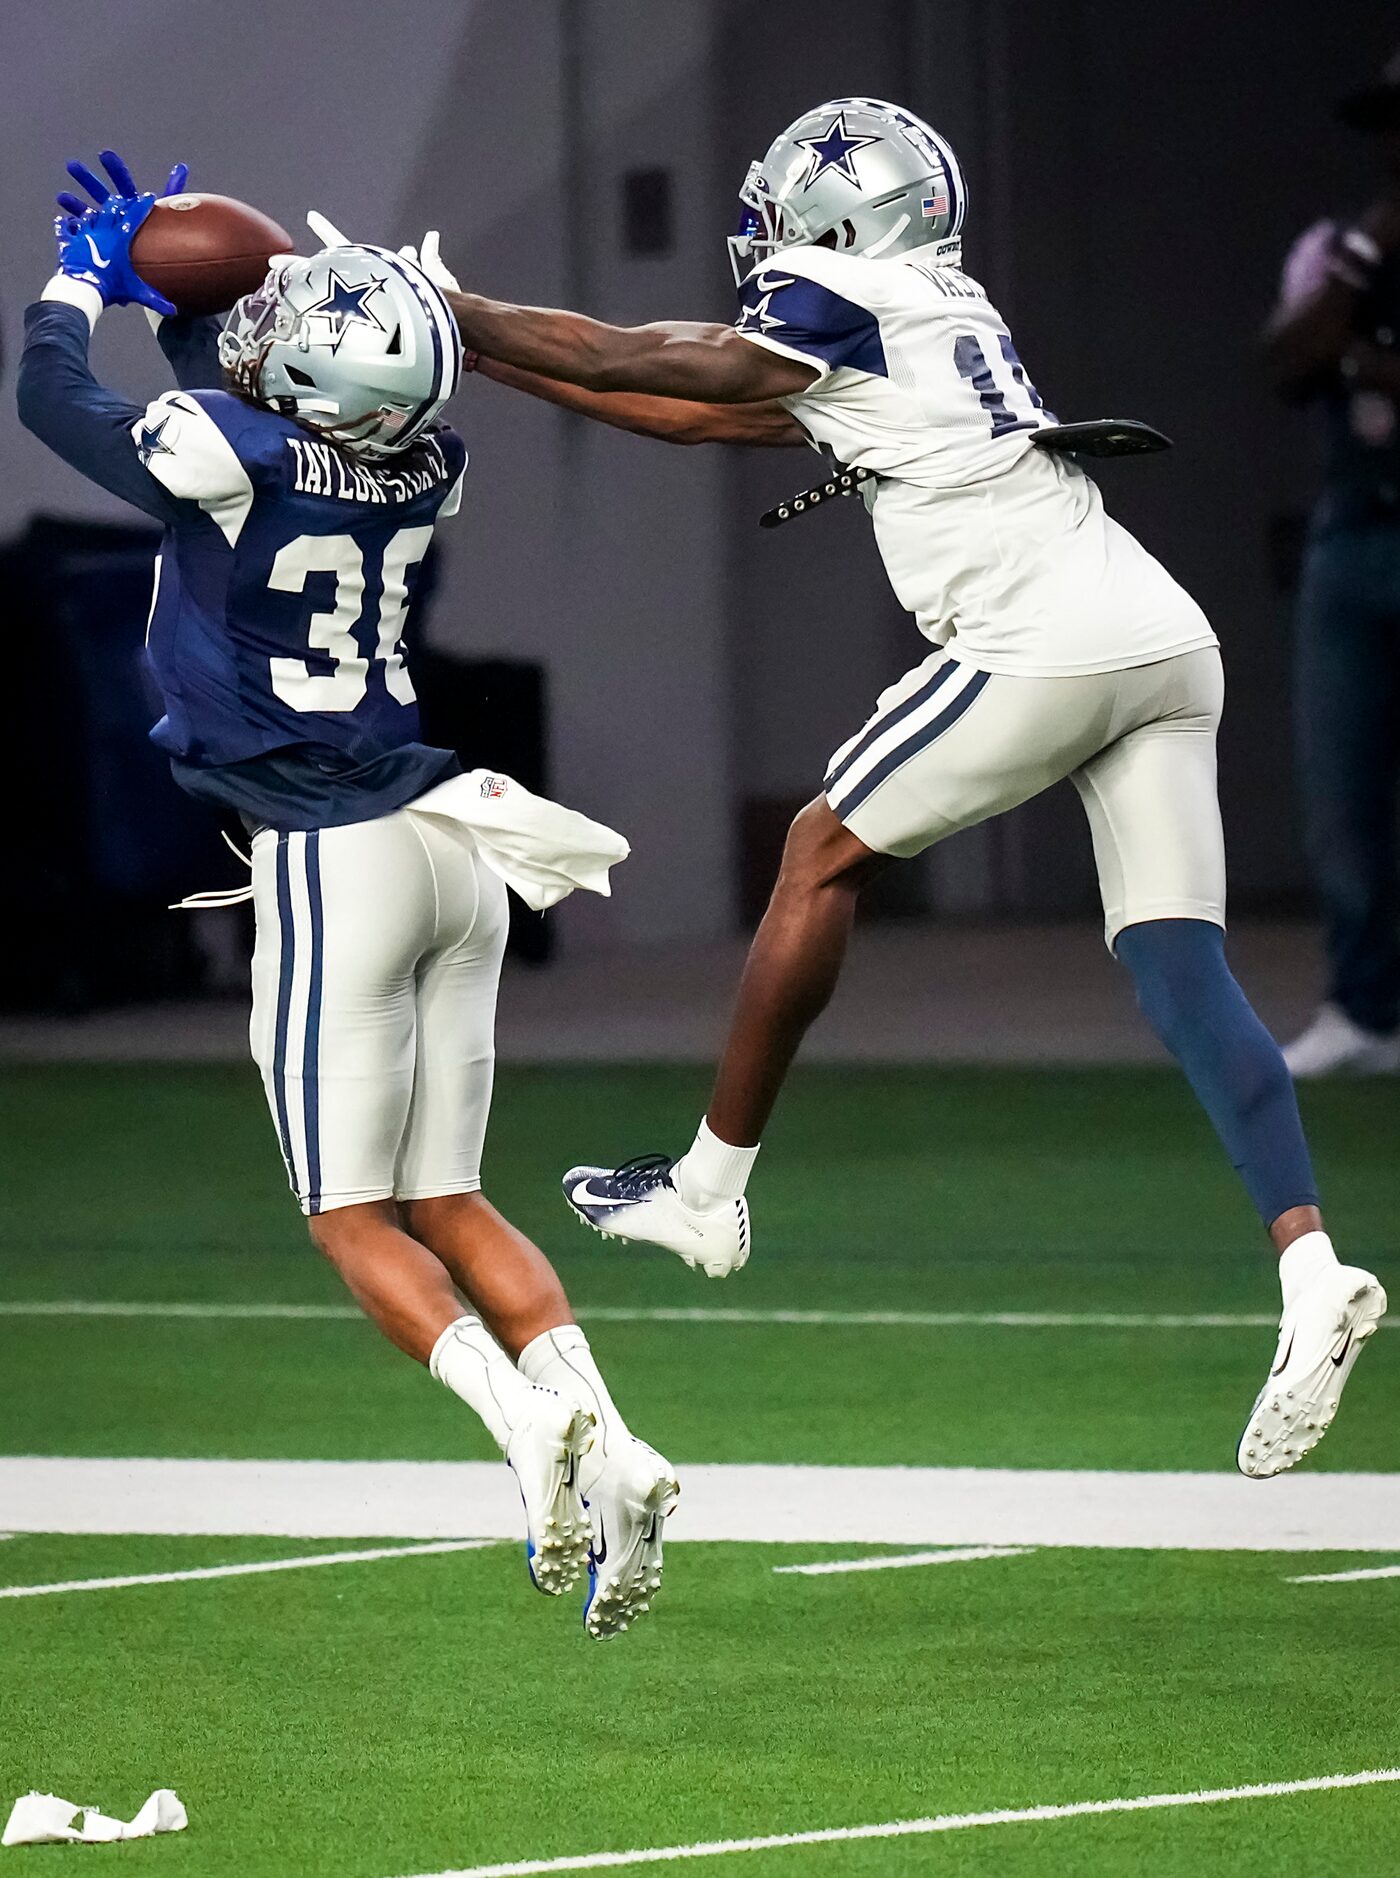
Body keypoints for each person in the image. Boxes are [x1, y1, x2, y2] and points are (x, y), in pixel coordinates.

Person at [409, 98, 1386, 1479]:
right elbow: (682, 411)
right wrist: (474, 354)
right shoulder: (928, 305)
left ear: (839, 217)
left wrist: (460, 310)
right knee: (1180, 963)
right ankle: (1309, 1269)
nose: (762, 230)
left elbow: (656, 352)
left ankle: (709, 1189)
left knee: (817, 847)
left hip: (1042, 641)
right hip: (1161, 634)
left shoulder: (843, 294)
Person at [18, 152, 676, 1639]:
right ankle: (616, 1447)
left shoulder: (236, 445)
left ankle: (524, 1432)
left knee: (351, 1216)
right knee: (451, 1193)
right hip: (456, 845)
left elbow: (57, 406)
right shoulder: (431, 459)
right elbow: (267, 395)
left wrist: (83, 279)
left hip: (337, 853)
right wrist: (185, 305)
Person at [1266, 51, 1400, 1078]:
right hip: (1352, 534)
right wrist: (1362, 259)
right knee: (1345, 790)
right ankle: (1362, 1011)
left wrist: (1359, 360)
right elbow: (1284, 360)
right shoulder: (1336, 247)